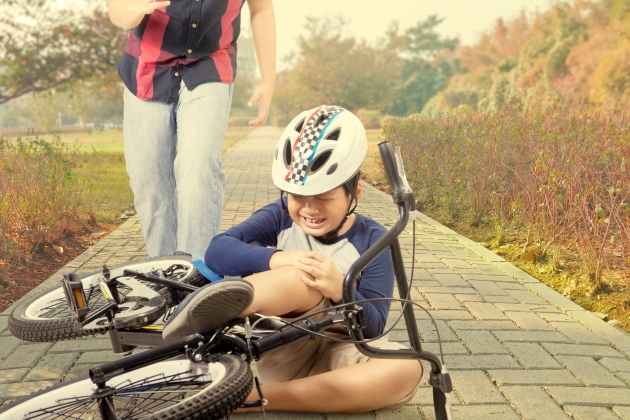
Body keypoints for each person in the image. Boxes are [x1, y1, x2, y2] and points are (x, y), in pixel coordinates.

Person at [163, 105, 423, 413]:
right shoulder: (280, 216)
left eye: (325, 198)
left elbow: (376, 326)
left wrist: (341, 288)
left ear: (355, 193)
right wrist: (277, 259)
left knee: (411, 366)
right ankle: (197, 319)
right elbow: (219, 250)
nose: (310, 210)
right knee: (302, 275)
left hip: (345, 354)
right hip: (288, 347)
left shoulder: (375, 239)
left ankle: (246, 397)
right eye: (298, 197)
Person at [107, 0, 276, 257]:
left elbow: (261, 8)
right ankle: (163, 272)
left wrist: (268, 80)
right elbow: (117, 9)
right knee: (149, 180)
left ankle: (196, 277)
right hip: (146, 65)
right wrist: (135, 8)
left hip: (210, 62)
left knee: (198, 169)